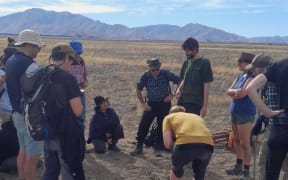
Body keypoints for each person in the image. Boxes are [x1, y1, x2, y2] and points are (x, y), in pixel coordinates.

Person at [5, 29, 45, 180]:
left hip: (17, 112)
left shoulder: (11, 60)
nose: (38, 51)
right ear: (28, 45)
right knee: (32, 157)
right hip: (30, 116)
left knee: (23, 151)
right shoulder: (27, 63)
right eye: (37, 47)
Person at [43, 43, 85, 180]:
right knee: (71, 170)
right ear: (67, 58)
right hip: (65, 133)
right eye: (71, 60)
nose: (72, 63)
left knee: (51, 170)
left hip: (47, 129)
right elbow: (78, 111)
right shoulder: (68, 79)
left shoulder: (43, 73)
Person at [247, 56, 288, 180]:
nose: (253, 71)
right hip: (276, 126)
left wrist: (267, 113)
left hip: (279, 127)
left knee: (269, 168)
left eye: (255, 69)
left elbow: (249, 89)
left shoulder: (275, 72)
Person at [130, 58, 181, 156]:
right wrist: (143, 104)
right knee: (143, 125)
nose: (155, 72)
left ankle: (158, 148)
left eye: (157, 69)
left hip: (164, 104)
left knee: (162, 125)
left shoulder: (166, 73)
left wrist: (173, 94)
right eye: (153, 70)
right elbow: (138, 89)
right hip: (151, 104)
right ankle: (139, 146)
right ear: (149, 68)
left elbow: (179, 81)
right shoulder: (145, 76)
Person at [225, 52, 256, 180]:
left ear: (248, 64)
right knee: (236, 139)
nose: (238, 64)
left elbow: (242, 94)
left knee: (244, 142)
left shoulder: (252, 77)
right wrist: (234, 92)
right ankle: (238, 165)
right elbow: (229, 90)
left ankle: (246, 170)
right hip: (235, 111)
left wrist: (235, 92)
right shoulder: (240, 76)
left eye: (240, 62)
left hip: (245, 113)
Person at [163, 105, 214, 180]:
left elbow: (167, 143)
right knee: (199, 175)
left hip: (185, 144)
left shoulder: (168, 117)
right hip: (208, 145)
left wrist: (176, 153)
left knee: (176, 171)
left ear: (170, 113)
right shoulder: (196, 117)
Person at [176, 37, 213, 117]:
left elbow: (206, 85)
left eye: (188, 51)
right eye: (185, 51)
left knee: (191, 127)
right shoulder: (186, 62)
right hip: (182, 100)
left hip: (195, 103)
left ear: (195, 49)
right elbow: (184, 78)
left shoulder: (204, 63)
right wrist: (179, 89)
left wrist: (205, 106)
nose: (186, 53)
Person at [68, 40, 88, 129]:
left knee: (81, 115)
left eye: (78, 53)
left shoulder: (81, 61)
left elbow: (84, 74)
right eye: (75, 53)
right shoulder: (67, 61)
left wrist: (84, 82)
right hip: (70, 92)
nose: (77, 55)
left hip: (80, 91)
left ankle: (80, 133)